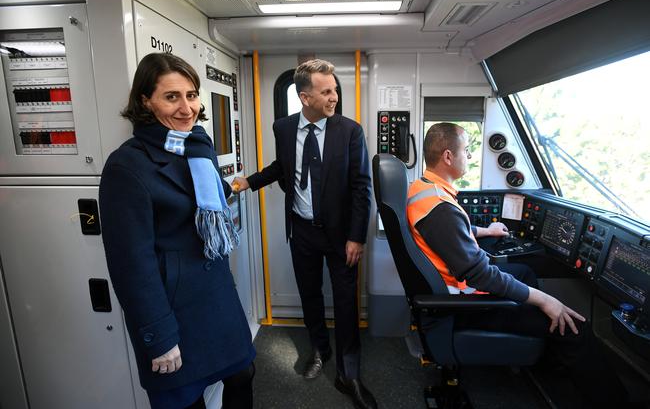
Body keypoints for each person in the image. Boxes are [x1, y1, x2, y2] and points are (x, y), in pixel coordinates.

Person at [407, 122, 628, 408]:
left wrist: (485, 231)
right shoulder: (440, 209)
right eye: (467, 151)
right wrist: (546, 300)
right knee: (572, 326)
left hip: (456, 292)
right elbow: (480, 275)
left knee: (525, 272)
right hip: (465, 305)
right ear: (448, 156)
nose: (470, 157)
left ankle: (540, 352)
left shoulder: (423, 188)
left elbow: (449, 233)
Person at [99, 53, 255, 409]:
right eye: (172, 97)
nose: (187, 108)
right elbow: (130, 264)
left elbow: (209, 203)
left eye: (192, 95)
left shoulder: (198, 147)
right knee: (183, 401)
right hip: (174, 313)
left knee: (244, 375)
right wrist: (158, 337)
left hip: (216, 299)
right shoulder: (127, 166)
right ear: (145, 100)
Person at [232, 59, 376, 408]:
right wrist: (248, 182)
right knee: (309, 295)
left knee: (345, 302)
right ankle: (319, 351)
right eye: (326, 91)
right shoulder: (282, 128)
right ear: (304, 97)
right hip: (301, 230)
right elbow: (284, 167)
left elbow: (361, 187)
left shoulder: (349, 131)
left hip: (342, 236)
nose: (334, 97)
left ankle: (349, 373)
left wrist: (357, 237)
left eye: (335, 90)